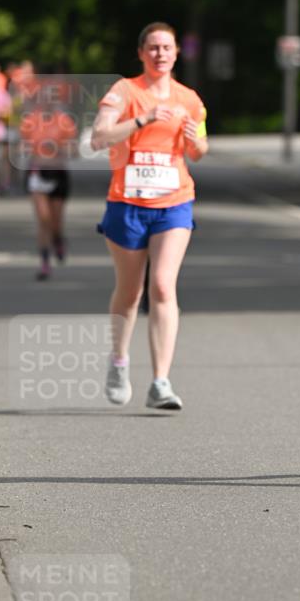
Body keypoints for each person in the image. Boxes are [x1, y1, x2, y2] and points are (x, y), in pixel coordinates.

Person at [91, 22, 208, 410]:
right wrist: (143, 118)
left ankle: (160, 381)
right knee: (130, 292)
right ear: (141, 53)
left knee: (161, 285)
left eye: (167, 47)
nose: (160, 53)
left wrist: (195, 141)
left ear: (177, 54)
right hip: (127, 203)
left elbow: (200, 149)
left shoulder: (189, 98)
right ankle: (119, 360)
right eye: (153, 47)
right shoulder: (124, 92)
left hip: (174, 202)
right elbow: (98, 138)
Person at [19, 74, 76, 279]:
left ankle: (58, 239)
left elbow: (74, 152)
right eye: (44, 96)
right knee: (43, 219)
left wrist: (59, 147)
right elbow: (22, 148)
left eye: (53, 96)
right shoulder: (30, 121)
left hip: (58, 173)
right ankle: (44, 262)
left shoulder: (65, 122)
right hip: (38, 172)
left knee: (55, 222)